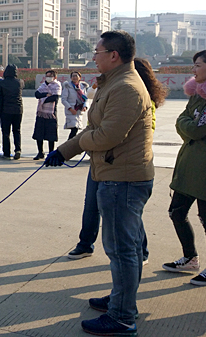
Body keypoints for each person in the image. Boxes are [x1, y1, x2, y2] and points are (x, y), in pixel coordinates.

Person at [45, 30, 153, 336]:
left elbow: (106, 136)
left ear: (114, 55)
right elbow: (95, 128)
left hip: (122, 180)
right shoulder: (114, 83)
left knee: (122, 250)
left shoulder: (126, 88)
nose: (94, 57)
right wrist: (63, 151)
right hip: (116, 175)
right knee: (126, 248)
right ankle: (121, 300)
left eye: (98, 52)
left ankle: (122, 317)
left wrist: (75, 145)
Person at [67, 58, 167, 263]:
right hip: (101, 160)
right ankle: (85, 243)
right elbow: (96, 122)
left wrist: (87, 140)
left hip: (121, 166)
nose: (96, 60)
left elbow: (110, 134)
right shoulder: (112, 89)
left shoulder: (133, 94)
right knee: (92, 205)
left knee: (126, 220)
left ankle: (140, 252)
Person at [163, 48, 206, 286]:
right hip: (191, 161)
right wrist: (187, 123)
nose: (193, 70)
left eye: (198, 66)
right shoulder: (199, 93)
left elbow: (196, 129)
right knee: (177, 212)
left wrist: (187, 124)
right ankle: (190, 257)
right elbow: (184, 121)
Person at [32, 70, 62, 160]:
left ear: (55, 77)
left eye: (50, 76)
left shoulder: (57, 85)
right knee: (39, 133)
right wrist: (46, 94)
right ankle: (40, 152)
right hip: (41, 112)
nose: (48, 78)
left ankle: (50, 153)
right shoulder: (43, 85)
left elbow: (54, 98)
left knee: (51, 135)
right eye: (47, 76)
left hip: (51, 113)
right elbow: (37, 94)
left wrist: (43, 99)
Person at [0, 64, 24, 160]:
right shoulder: (20, 82)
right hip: (18, 109)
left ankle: (7, 153)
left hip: (5, 110)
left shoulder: (1, 83)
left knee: (6, 132)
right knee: (17, 131)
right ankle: (18, 150)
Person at [61, 71, 90, 140]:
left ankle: (70, 144)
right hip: (71, 110)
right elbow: (64, 99)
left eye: (76, 76)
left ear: (80, 77)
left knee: (76, 128)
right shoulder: (68, 86)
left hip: (79, 111)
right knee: (74, 128)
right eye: (73, 76)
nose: (74, 77)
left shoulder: (82, 87)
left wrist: (85, 106)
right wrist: (70, 109)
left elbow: (86, 98)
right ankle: (69, 144)